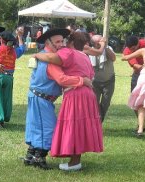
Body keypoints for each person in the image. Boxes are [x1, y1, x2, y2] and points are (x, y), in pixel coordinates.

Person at [33, 32, 103, 171]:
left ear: (70, 41)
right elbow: (90, 74)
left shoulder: (68, 52)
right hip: (88, 94)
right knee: (82, 126)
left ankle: (74, 162)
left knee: (74, 126)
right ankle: (75, 159)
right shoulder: (84, 56)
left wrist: (36, 55)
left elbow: (51, 57)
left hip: (75, 93)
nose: (62, 44)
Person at [88, 34, 116, 122]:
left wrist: (105, 46)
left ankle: (99, 122)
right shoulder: (90, 50)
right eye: (99, 42)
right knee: (94, 104)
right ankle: (95, 123)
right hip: (94, 82)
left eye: (102, 41)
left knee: (105, 104)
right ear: (94, 44)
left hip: (108, 81)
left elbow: (113, 58)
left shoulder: (108, 48)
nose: (102, 43)